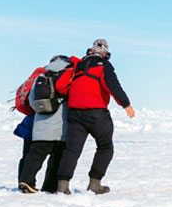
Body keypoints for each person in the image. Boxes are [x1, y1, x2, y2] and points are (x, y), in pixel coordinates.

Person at [54, 39, 135, 195]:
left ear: (89, 51)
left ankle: (62, 187)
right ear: (105, 54)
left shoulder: (77, 66)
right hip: (96, 113)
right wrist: (125, 104)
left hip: (75, 113)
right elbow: (112, 85)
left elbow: (61, 86)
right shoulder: (103, 66)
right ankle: (95, 184)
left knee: (72, 150)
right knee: (105, 147)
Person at [18, 55, 74, 193]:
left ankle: (26, 181)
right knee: (56, 159)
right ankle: (50, 187)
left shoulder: (40, 77)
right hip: (60, 128)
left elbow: (32, 102)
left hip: (41, 127)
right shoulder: (67, 78)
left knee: (35, 157)